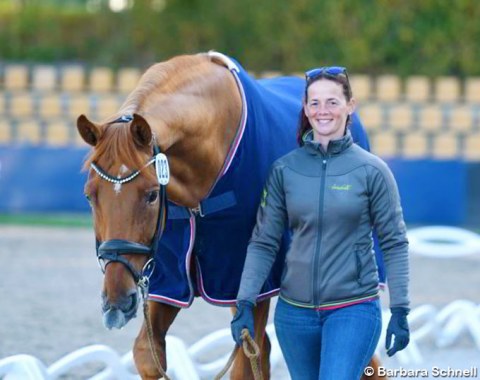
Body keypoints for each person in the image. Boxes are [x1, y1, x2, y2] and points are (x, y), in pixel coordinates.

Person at [230, 66, 410, 379]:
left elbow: (394, 241)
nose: (322, 111)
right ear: (305, 108)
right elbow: (263, 241)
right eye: (314, 103)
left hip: (352, 309)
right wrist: (245, 301)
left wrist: (400, 308)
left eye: (332, 102)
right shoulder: (284, 171)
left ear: (349, 106)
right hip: (294, 315)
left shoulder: (373, 171)